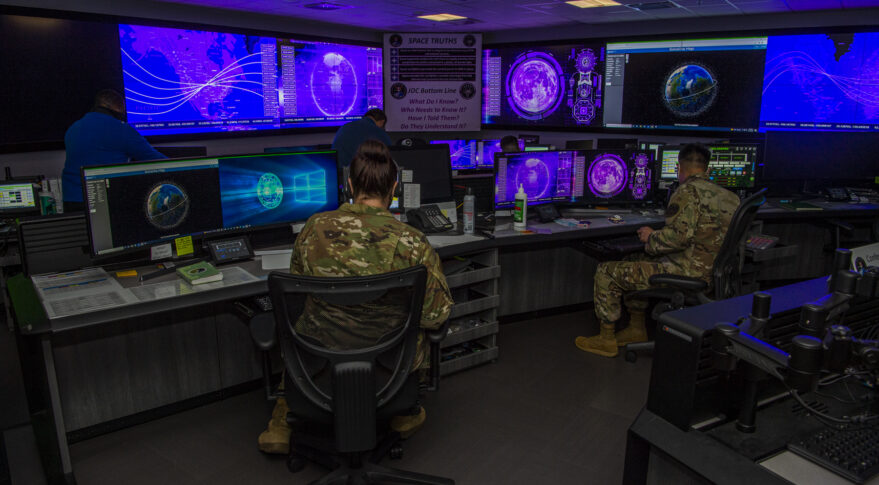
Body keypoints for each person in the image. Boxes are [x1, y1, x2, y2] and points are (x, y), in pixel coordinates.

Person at [258, 139, 454, 454]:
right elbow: (435, 316)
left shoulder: (313, 229)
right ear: (394, 188)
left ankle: (282, 422)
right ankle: (404, 414)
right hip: (389, 371)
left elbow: (295, 295)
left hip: (317, 366)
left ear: (349, 185)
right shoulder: (412, 241)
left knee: (303, 323)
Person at [575, 143, 740, 358]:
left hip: (686, 272)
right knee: (632, 259)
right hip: (714, 275)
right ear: (707, 169)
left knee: (606, 271)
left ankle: (606, 339)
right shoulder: (731, 197)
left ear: (679, 168)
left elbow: (678, 239)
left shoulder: (687, 191)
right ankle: (636, 329)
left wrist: (650, 236)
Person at [62, 89, 166, 211]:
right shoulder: (121, 129)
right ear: (119, 108)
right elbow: (155, 159)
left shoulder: (74, 128)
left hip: (71, 201)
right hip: (101, 201)